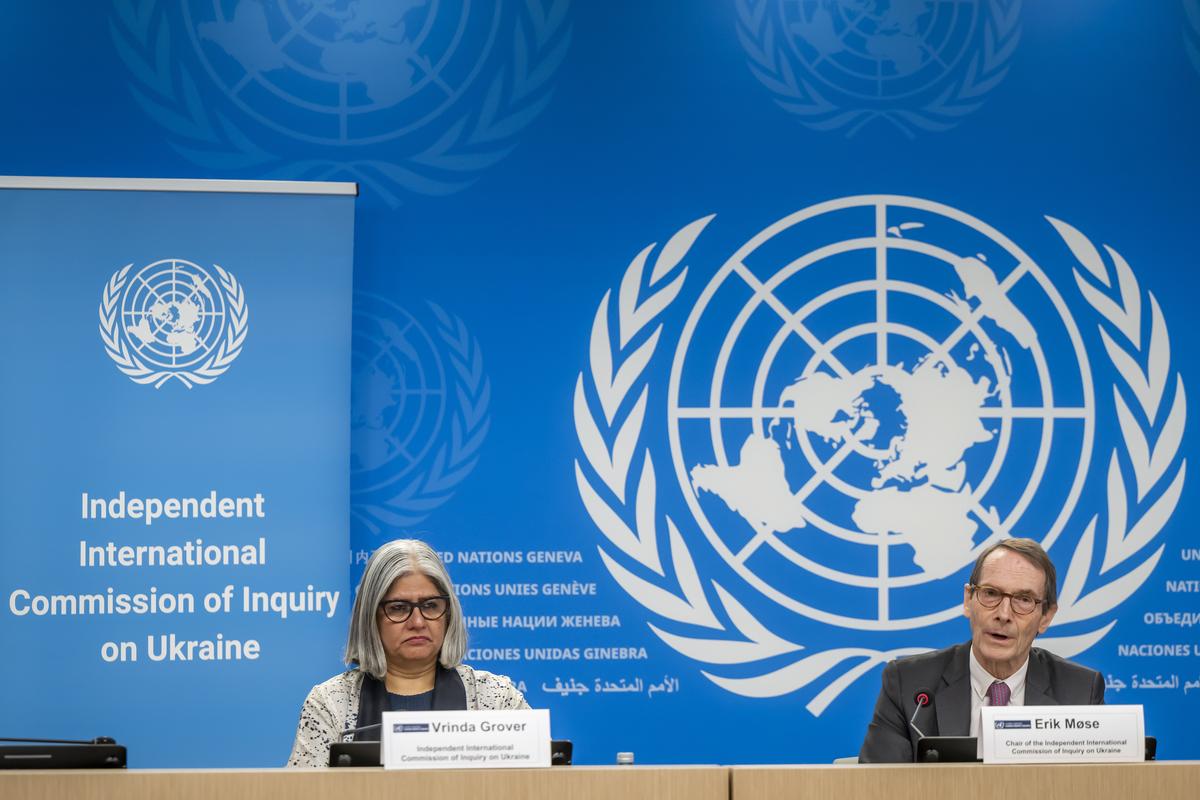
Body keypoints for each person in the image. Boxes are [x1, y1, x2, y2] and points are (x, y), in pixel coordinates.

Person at [858, 538, 1104, 763]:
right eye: (991, 593)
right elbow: (877, 787)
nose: (1004, 615)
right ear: (968, 600)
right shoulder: (909, 684)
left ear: (1046, 617)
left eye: (1024, 600)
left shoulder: (1080, 692)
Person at [287, 539, 528, 767]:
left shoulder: (496, 698)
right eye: (399, 608)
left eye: (430, 605)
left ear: (448, 613)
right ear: (371, 617)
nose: (418, 622)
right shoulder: (330, 703)